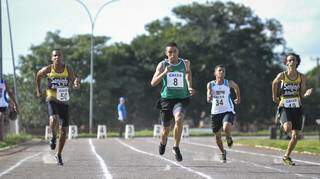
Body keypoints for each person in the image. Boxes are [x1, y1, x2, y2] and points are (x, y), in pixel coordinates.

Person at [151, 42, 195, 162]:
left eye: (174, 51)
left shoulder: (185, 63)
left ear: (178, 52)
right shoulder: (162, 64)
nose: (172, 54)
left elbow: (188, 74)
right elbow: (153, 82)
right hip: (166, 100)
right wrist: (165, 72)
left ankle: (175, 147)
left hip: (181, 98)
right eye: (169, 52)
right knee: (166, 130)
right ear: (166, 53)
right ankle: (163, 142)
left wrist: (190, 86)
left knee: (179, 118)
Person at [36, 49, 80, 165]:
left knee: (64, 131)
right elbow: (38, 75)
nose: (57, 57)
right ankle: (54, 137)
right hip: (52, 98)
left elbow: (74, 78)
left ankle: (59, 154)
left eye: (59, 55)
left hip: (64, 101)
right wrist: (38, 90)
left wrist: (76, 82)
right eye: (55, 56)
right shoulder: (49, 69)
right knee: (53, 119)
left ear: (62, 57)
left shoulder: (67, 68)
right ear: (52, 58)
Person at [272, 53, 312, 166]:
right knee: (287, 127)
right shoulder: (282, 75)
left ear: (297, 62)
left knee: (295, 136)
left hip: (297, 106)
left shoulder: (302, 77)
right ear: (286, 63)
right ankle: (282, 121)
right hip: (284, 105)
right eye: (289, 60)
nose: (291, 62)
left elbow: (302, 93)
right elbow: (274, 83)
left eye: (294, 60)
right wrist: (274, 96)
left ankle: (286, 156)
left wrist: (306, 94)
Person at [207, 65, 240, 163]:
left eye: (223, 71)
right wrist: (209, 97)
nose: (221, 72)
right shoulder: (210, 84)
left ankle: (229, 137)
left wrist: (238, 98)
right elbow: (208, 95)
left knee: (226, 127)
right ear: (215, 73)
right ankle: (223, 152)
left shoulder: (228, 83)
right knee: (217, 137)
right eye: (219, 70)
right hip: (215, 112)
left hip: (227, 110)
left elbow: (237, 87)